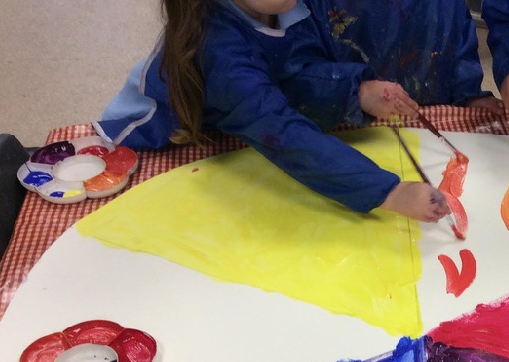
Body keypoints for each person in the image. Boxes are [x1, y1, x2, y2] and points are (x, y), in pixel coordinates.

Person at [95, 0, 450, 223]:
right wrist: (388, 192)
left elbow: (290, 75)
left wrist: (357, 92)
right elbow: (282, 132)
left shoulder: (280, 5)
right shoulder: (221, 52)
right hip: (154, 138)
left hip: (237, 113)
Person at [307, 0, 501, 112]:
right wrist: (355, 91)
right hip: (347, 121)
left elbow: (456, 37)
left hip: (430, 115)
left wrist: (468, 95)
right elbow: (297, 72)